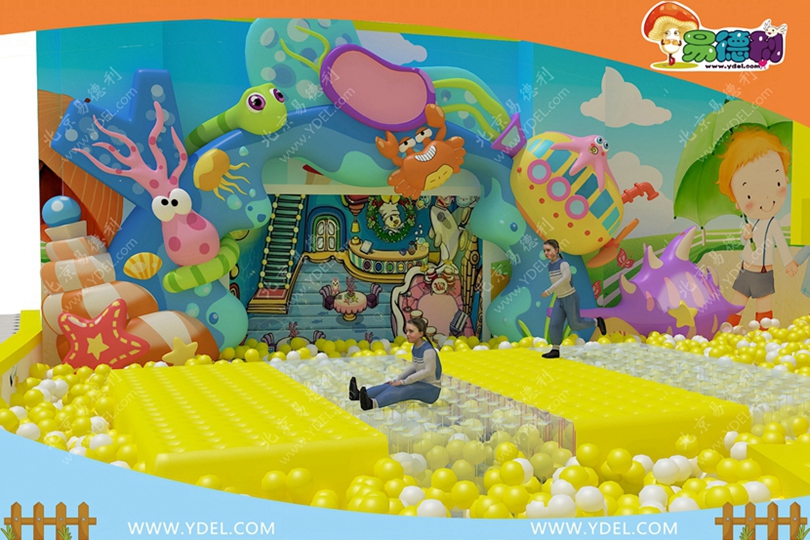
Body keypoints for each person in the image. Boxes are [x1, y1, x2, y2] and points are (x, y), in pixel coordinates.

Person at [716, 126, 798, 325]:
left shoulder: (773, 224)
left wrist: (789, 262)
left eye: (776, 183)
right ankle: (729, 329)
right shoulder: (751, 225)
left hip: (763, 271)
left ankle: (764, 334)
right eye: (749, 194)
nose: (766, 197)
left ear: (785, 179)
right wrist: (745, 236)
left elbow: (781, 243)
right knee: (737, 303)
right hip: (745, 269)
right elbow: (745, 241)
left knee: (764, 306)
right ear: (736, 201)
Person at [348, 317, 442, 410]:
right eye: (406, 331)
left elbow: (428, 371)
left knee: (405, 388)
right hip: (420, 383)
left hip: (431, 390)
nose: (407, 334)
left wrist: (404, 381)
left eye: (411, 331)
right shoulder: (415, 348)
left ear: (421, 333)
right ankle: (358, 395)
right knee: (390, 385)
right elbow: (414, 367)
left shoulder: (428, 351)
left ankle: (372, 404)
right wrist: (397, 379)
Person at [541, 239, 606, 358]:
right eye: (544, 251)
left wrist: (549, 290)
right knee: (554, 324)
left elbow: (566, 278)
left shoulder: (563, 264)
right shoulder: (549, 266)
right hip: (559, 299)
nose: (546, 253)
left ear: (556, 250)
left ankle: (597, 321)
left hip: (570, 297)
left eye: (548, 250)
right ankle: (555, 349)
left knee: (575, 324)